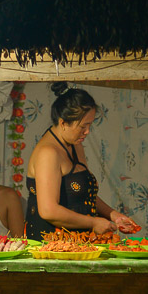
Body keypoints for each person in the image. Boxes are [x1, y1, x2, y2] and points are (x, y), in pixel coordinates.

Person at [24, 83, 137, 240]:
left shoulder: (74, 143)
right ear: (63, 123)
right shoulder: (48, 153)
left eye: (90, 125)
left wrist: (113, 215)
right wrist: (93, 222)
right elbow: (48, 210)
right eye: (83, 126)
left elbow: (81, 193)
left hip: (77, 242)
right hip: (49, 244)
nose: (87, 131)